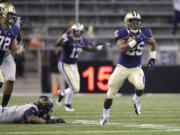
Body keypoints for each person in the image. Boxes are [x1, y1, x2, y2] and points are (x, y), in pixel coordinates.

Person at [100, 11, 157, 125]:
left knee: (140, 87)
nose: (135, 23)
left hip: (135, 68)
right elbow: (121, 49)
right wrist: (136, 40)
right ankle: (105, 114)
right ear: (127, 22)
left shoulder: (145, 32)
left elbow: (153, 43)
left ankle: (135, 99)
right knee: (110, 94)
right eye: (132, 21)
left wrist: (152, 59)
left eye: (137, 21)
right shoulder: (122, 32)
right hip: (122, 68)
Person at [55, 23, 104, 111]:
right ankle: (66, 102)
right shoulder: (68, 38)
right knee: (73, 87)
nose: (77, 34)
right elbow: (58, 44)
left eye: (79, 32)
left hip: (74, 65)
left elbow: (89, 48)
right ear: (72, 32)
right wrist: (65, 33)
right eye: (75, 32)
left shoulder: (83, 40)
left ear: (81, 32)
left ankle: (64, 96)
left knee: (76, 88)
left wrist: (98, 48)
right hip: (64, 64)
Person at [0, 2, 24, 108]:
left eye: (12, 15)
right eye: (9, 14)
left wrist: (20, 49)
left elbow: (14, 48)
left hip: (4, 55)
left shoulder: (14, 28)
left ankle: (3, 107)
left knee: (11, 78)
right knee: (0, 81)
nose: (11, 17)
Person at [0, 96, 66, 124]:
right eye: (46, 110)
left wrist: (56, 120)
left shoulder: (33, 108)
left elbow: (36, 117)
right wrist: (48, 122)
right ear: (42, 107)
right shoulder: (34, 109)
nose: (47, 112)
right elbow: (30, 118)